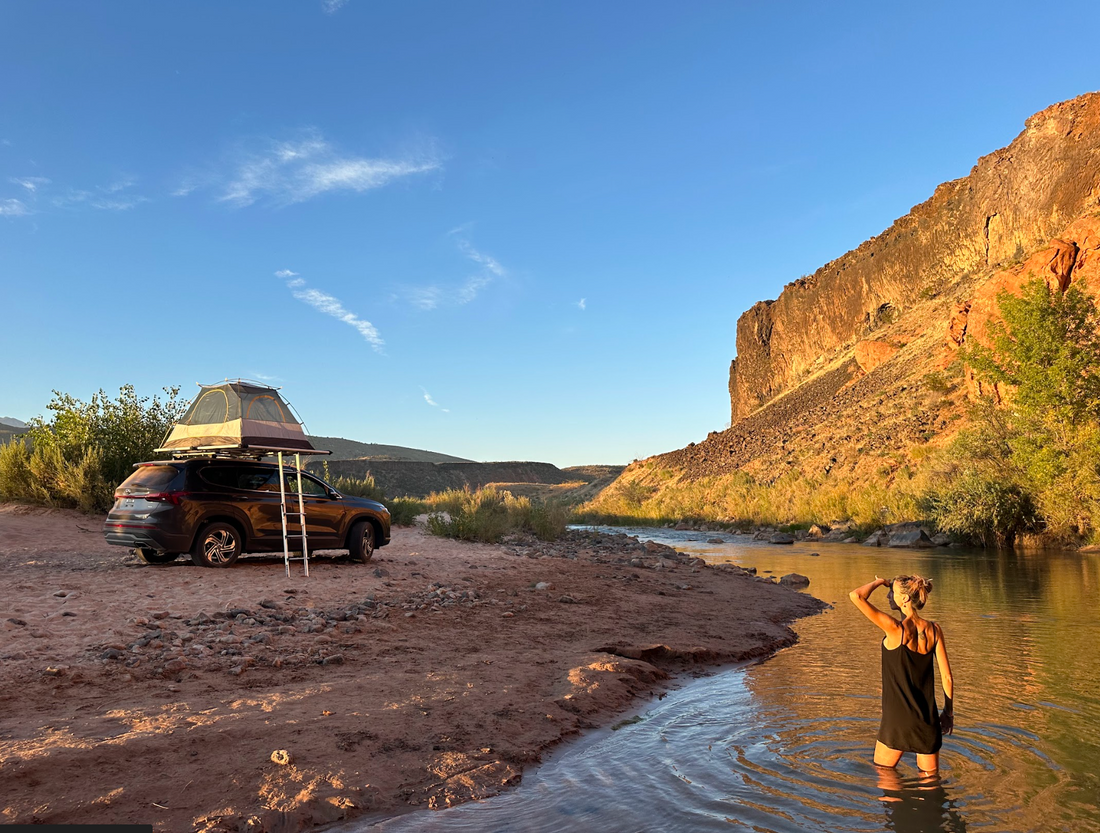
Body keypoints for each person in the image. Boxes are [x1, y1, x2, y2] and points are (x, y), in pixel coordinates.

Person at [849, 574, 954, 774]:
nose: (888, 596)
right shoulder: (935, 630)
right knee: (931, 785)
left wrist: (878, 582)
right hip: (927, 722)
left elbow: (856, 596)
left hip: (896, 723)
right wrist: (948, 713)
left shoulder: (895, 629)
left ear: (904, 599)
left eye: (892, 592)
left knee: (885, 777)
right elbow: (947, 678)